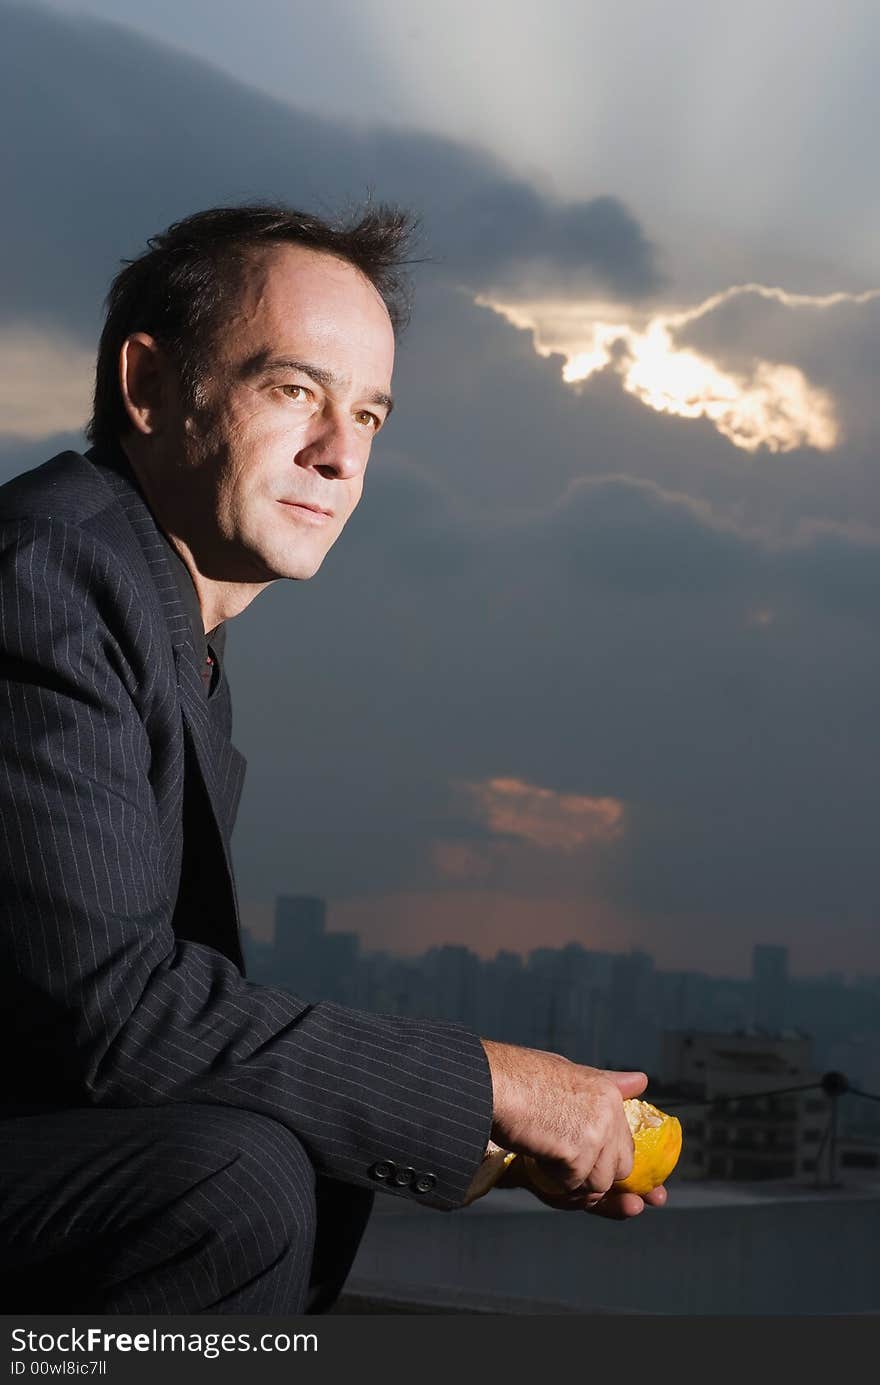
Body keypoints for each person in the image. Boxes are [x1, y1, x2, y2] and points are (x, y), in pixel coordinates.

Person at [0, 203, 665, 1316]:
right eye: (294, 390)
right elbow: (112, 1014)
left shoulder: (161, 619)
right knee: (229, 1179)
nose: (342, 453)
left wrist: (480, 1132)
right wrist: (497, 1084)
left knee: (302, 1149)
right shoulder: (52, 574)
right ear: (151, 385)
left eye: (367, 413)